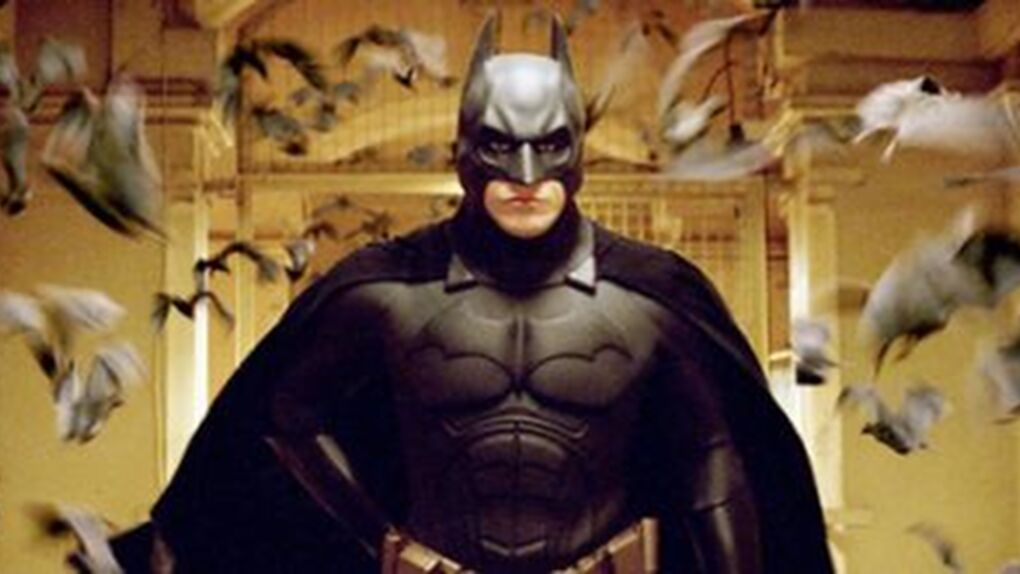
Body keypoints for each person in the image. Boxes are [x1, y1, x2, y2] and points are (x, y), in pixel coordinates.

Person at [112, 14, 833, 574]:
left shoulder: (654, 298)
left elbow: (715, 461)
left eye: (549, 146)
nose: (526, 175)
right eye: (500, 147)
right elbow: (279, 419)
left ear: (577, 151)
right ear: (464, 151)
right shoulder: (386, 290)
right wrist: (374, 537)